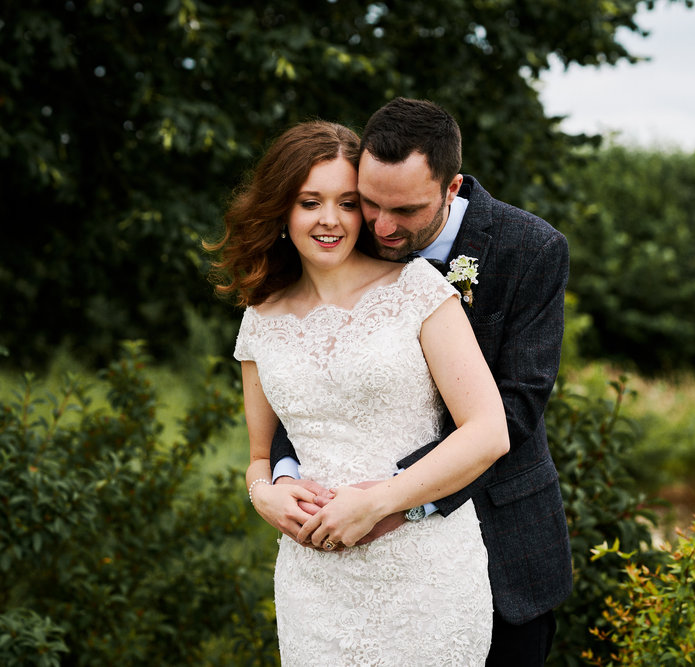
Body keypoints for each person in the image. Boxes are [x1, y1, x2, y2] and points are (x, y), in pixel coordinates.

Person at [267, 98, 573, 666]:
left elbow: (514, 408)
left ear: (451, 187)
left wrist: (393, 502)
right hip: (352, 558)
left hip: (500, 541)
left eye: (404, 210)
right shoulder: (351, 232)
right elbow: (315, 373)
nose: (382, 227)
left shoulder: (530, 249)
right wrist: (282, 475)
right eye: (371, 203)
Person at [208, 119, 510, 665]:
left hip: (424, 575)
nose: (330, 220)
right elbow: (259, 456)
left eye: (348, 203)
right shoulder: (259, 319)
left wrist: (378, 501)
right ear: (283, 210)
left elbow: (488, 432)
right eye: (309, 202)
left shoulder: (418, 289)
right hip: (313, 584)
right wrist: (266, 497)